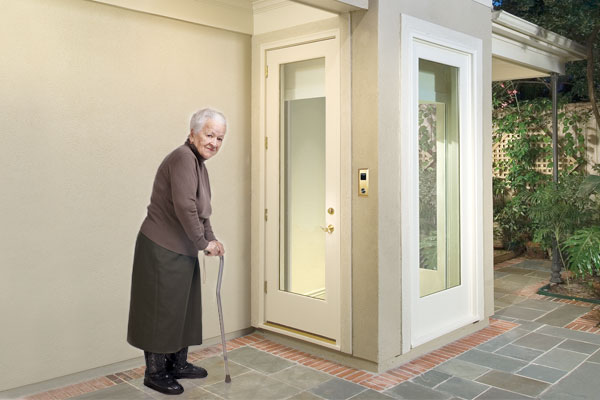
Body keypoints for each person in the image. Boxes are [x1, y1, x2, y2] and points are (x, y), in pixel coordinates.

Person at [127, 108, 226, 395]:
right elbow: (184, 206)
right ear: (193, 133)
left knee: (183, 308)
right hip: (161, 248)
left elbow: (201, 210)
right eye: (209, 135)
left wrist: (210, 239)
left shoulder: (198, 164)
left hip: (182, 249)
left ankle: (177, 364)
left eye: (220, 138)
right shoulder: (183, 158)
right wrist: (202, 242)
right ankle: (155, 373)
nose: (214, 143)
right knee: (162, 310)